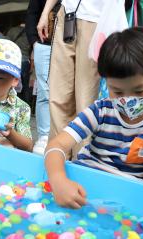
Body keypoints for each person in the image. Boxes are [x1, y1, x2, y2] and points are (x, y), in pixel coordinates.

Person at [44, 28, 143, 209]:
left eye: (139, 91)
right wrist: (58, 180)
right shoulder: (101, 111)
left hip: (130, 198)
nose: (128, 101)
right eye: (117, 91)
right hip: (85, 187)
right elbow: (56, 146)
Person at [37, 0, 106, 149]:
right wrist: (46, 12)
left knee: (85, 101)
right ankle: (56, 157)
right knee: (57, 97)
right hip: (65, 14)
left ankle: (81, 162)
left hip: (96, 19)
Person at [25, 0, 60, 155]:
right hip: (45, 42)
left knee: (69, 90)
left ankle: (65, 133)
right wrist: (34, 42)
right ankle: (44, 136)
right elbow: (32, 13)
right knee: (45, 91)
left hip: (72, 41)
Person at [7, 22, 31, 105]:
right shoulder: (29, 32)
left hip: (13, 60)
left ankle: (12, 103)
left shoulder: (12, 30)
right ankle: (26, 105)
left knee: (12, 83)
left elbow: (7, 44)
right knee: (25, 85)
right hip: (25, 60)